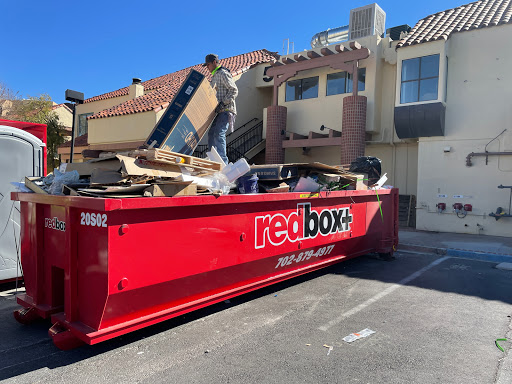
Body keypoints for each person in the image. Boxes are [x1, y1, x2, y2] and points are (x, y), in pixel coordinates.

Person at [203, 53, 238, 164]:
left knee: (219, 133)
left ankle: (223, 163)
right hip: (218, 111)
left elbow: (234, 90)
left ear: (214, 62)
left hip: (226, 109)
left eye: (208, 65)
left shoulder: (223, 73)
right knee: (211, 134)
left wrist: (223, 103)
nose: (207, 68)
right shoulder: (214, 76)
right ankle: (213, 160)